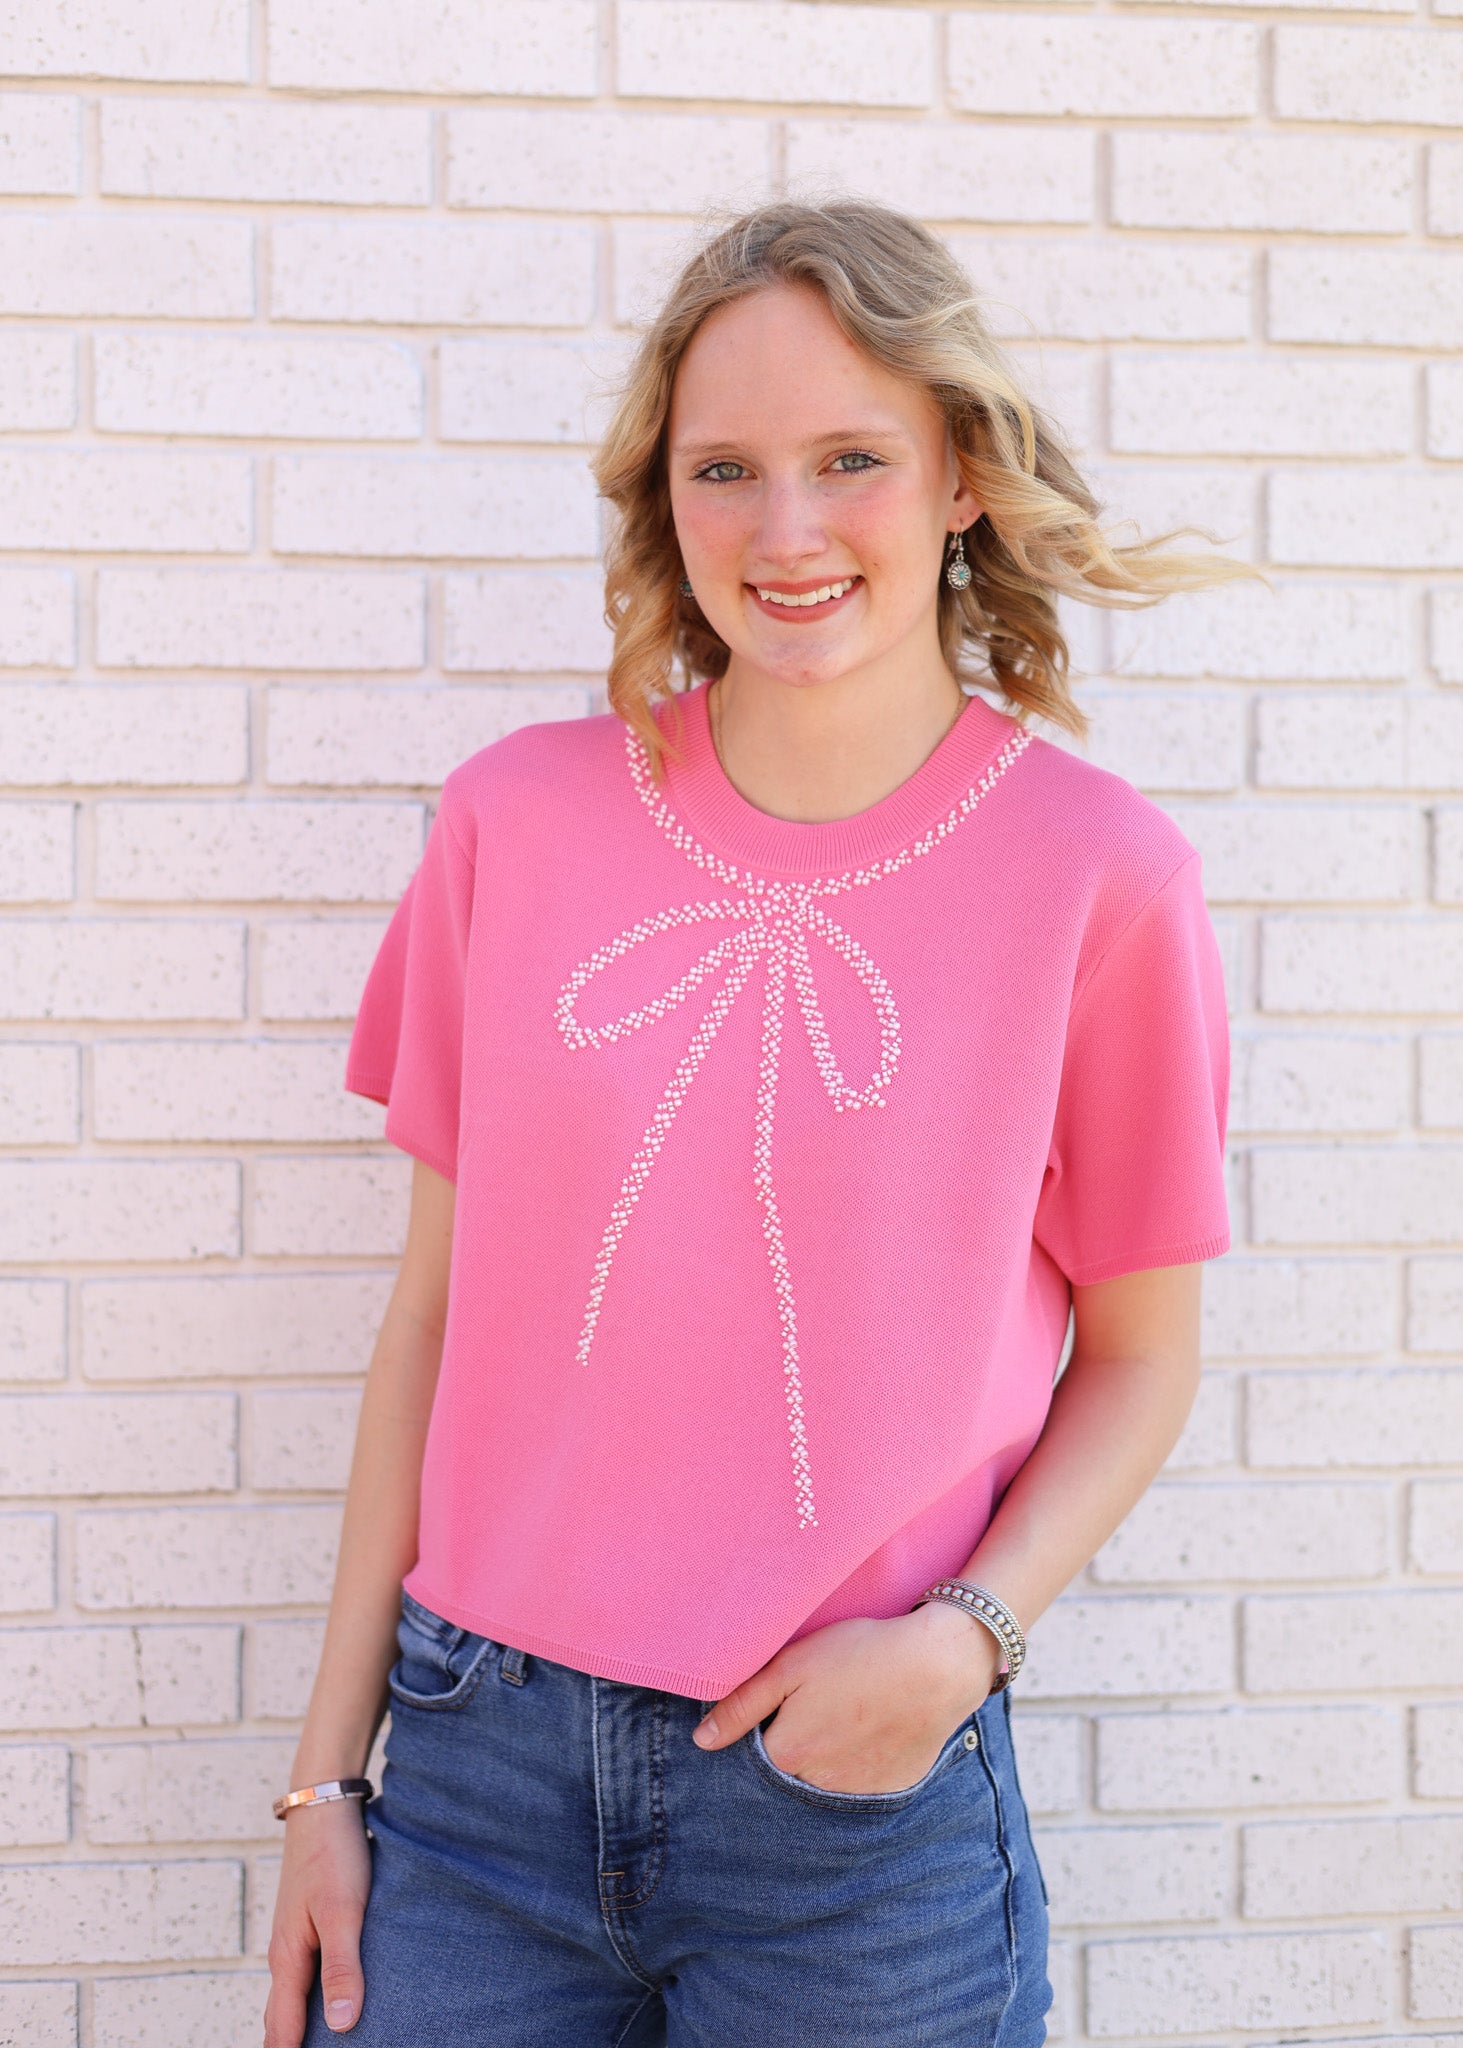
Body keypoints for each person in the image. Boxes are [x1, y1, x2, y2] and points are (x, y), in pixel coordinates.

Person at [264, 198, 1259, 2048]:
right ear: (665, 498)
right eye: (724, 469)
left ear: (962, 474)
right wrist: (330, 1785)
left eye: (851, 461)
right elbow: (427, 1322)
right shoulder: (516, 822)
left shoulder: (1099, 879)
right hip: (477, 1788)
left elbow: (1142, 1360)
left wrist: (962, 1644)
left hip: (852, 1814)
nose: (785, 533)